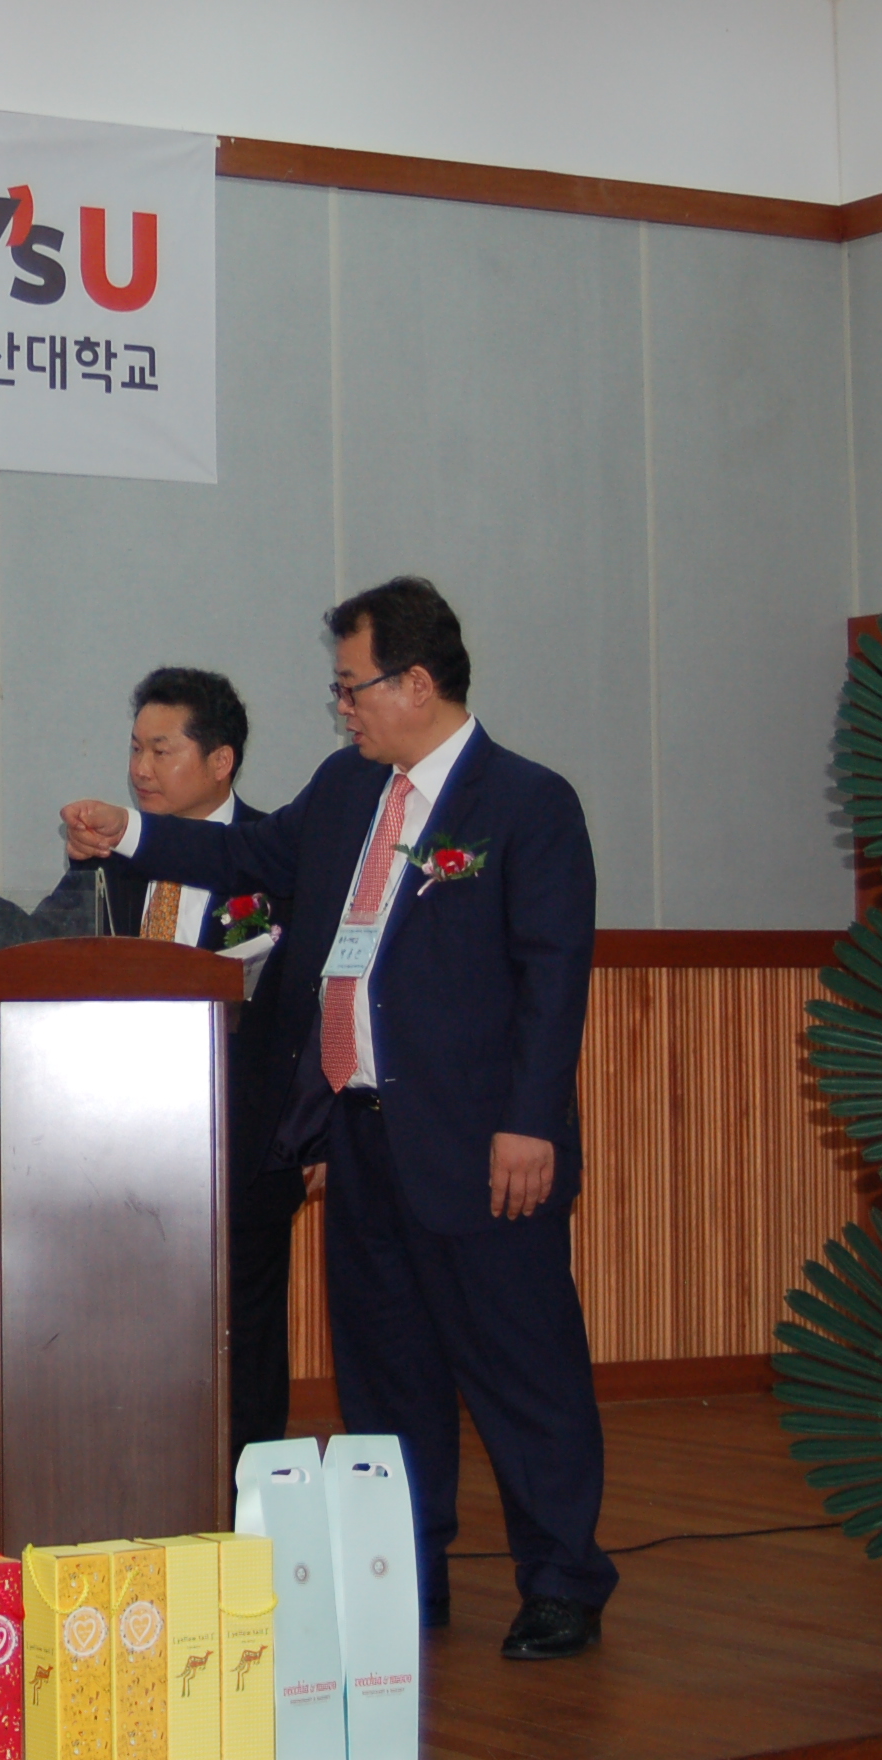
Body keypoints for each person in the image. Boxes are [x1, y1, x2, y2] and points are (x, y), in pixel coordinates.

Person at [59, 579, 609, 1662]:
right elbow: (248, 859)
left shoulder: (526, 802)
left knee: (521, 1365)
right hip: (359, 1135)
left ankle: (561, 1580)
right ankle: (406, 1572)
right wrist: (132, 832)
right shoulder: (347, 786)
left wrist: (530, 1122)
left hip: (481, 1142)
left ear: (416, 682)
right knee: (386, 1374)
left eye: (352, 686)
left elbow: (555, 975)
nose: (341, 707)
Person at [33, 666, 308, 1464]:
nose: (141, 769)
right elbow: (43, 949)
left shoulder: (276, 856)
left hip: (245, 1140)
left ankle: (246, 1499)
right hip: (122, 1144)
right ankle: (141, 1485)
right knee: (131, 1330)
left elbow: (301, 1002)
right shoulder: (109, 858)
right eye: (135, 749)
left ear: (220, 761)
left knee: (245, 1335)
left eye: (162, 750)